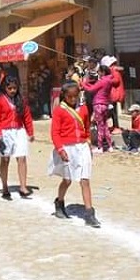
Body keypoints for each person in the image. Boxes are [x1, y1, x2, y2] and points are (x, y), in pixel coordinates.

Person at [48, 81, 100, 227]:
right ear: (64, 96)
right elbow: (55, 133)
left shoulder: (83, 109)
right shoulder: (59, 110)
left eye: (75, 96)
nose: (73, 99)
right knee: (68, 180)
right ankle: (59, 202)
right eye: (70, 97)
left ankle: (89, 213)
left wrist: (89, 144)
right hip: (67, 147)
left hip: (82, 146)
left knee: (85, 180)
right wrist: (60, 150)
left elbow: (87, 127)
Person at [0, 76, 34, 200]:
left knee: (22, 158)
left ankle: (23, 186)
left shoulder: (21, 100)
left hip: (19, 131)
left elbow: (27, 116)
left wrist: (30, 132)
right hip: (4, 132)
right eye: (10, 88)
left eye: (15, 88)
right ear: (5, 88)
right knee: (5, 160)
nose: (12, 90)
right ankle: (4, 186)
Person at [82, 63, 114, 153]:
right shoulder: (109, 80)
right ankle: (110, 146)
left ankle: (100, 147)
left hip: (98, 104)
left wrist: (83, 84)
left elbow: (91, 89)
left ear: (103, 72)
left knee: (100, 126)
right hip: (105, 104)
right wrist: (87, 83)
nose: (98, 73)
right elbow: (94, 87)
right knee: (105, 125)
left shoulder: (102, 81)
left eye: (99, 71)